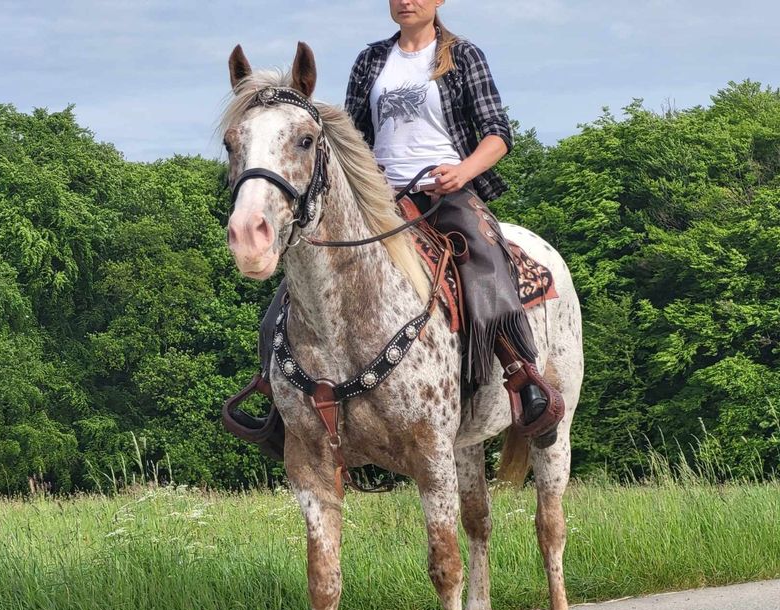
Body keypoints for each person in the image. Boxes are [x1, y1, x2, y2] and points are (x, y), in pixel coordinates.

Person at [234, 0, 563, 455]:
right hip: (379, 197)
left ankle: (523, 378)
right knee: (295, 286)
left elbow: (497, 132)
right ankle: (278, 400)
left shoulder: (463, 56)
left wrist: (463, 172)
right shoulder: (371, 59)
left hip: (445, 191)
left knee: (486, 264)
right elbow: (351, 137)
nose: (406, 1)